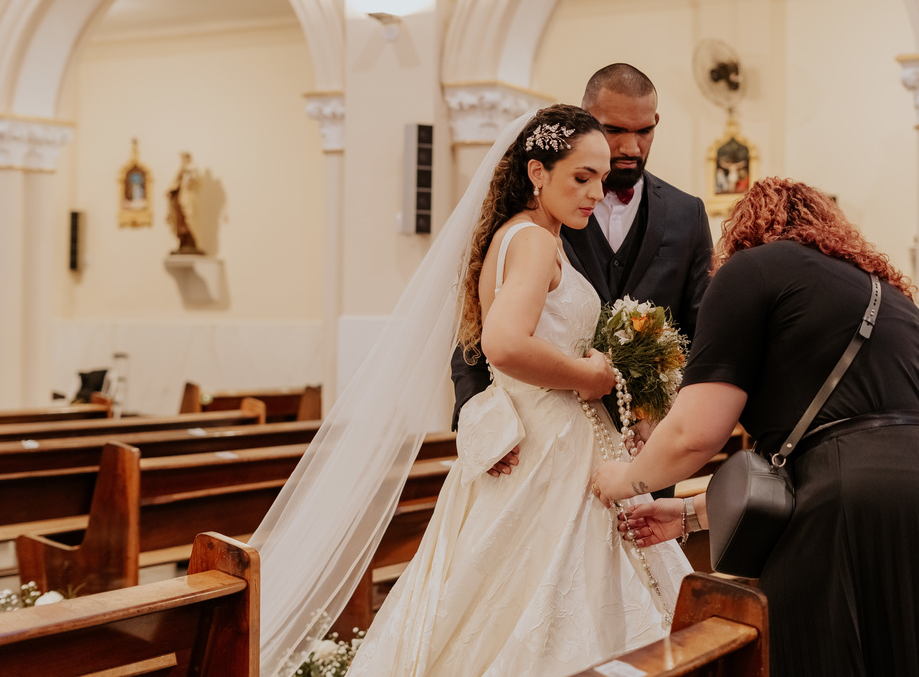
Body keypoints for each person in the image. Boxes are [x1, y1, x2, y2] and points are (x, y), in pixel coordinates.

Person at [249, 106, 689, 677]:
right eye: (582, 178)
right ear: (537, 172)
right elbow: (503, 345)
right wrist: (593, 377)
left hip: (544, 438)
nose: (595, 193)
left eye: (601, 179)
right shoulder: (533, 241)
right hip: (549, 448)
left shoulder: (519, 236)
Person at [591, 177, 919, 677]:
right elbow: (841, 443)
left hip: (863, 505)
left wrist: (624, 480)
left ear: (745, 231)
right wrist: (692, 514)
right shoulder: (885, 289)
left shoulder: (749, 271)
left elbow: (696, 433)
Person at [452, 64, 713, 499]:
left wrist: (665, 419)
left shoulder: (688, 214)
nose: (630, 146)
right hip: (535, 445)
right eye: (615, 130)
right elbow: (478, 333)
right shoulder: (537, 229)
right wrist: (476, 420)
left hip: (644, 452)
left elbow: (702, 336)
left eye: (644, 131)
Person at [166, 151, 202, 254]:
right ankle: (183, 241)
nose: (183, 161)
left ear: (188, 158)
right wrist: (171, 191)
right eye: (182, 159)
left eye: (184, 158)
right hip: (180, 199)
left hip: (188, 200)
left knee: (189, 220)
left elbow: (197, 183)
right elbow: (175, 183)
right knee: (179, 220)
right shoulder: (181, 170)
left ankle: (191, 241)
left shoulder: (193, 169)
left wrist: (190, 180)